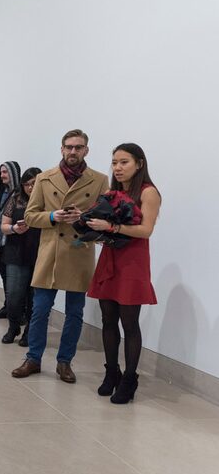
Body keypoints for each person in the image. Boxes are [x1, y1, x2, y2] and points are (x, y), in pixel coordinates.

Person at [12, 129, 108, 383]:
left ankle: (64, 362)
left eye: (78, 147)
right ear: (62, 149)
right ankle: (33, 358)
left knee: (75, 313)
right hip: (51, 252)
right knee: (40, 310)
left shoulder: (99, 180)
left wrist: (82, 219)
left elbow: (105, 219)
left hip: (79, 251)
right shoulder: (44, 178)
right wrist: (54, 217)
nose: (73, 151)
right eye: (69, 147)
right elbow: (31, 216)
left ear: (86, 149)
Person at [87, 143, 160, 403]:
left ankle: (129, 379)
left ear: (139, 163)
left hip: (133, 262)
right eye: (115, 162)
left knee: (129, 322)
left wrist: (112, 226)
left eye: (124, 162)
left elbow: (146, 230)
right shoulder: (111, 192)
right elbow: (106, 225)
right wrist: (95, 229)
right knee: (107, 319)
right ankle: (111, 373)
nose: (117, 167)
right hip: (110, 257)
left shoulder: (148, 192)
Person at [0, 167, 42, 346]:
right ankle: (13, 326)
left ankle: (29, 332)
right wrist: (15, 229)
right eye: (27, 184)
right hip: (16, 252)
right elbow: (4, 226)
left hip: (39, 254)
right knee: (14, 295)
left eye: (34, 184)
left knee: (34, 298)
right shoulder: (16, 199)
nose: (30, 188)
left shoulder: (47, 201)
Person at [0, 161, 21, 318]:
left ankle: (17, 311)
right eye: (1, 172)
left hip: (11, 243)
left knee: (14, 280)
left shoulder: (20, 196)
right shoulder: (3, 193)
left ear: (13, 173)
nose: (2, 176)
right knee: (4, 277)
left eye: (5, 172)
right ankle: (8, 307)